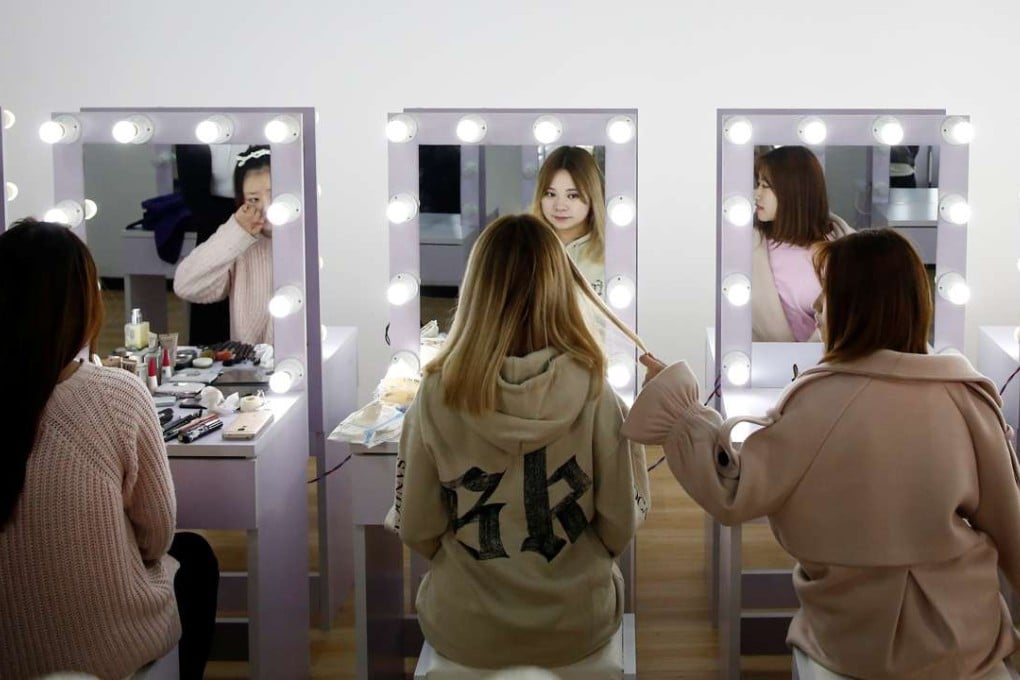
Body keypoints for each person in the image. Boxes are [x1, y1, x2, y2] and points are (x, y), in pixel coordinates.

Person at [624, 229, 1020, 679]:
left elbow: (733, 491)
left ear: (857, 305)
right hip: (964, 635)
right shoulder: (967, 398)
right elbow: (1011, 525)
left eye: (825, 296)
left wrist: (680, 408)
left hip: (854, 637)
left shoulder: (817, 402)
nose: (815, 309)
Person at [389, 214, 649, 669]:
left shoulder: (435, 395)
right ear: (560, 290)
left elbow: (417, 527)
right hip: (575, 624)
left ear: (475, 292)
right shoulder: (594, 392)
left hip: (466, 625)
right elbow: (618, 524)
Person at [0, 219, 218, 680]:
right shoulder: (112, 395)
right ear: (82, 306)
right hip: (101, 652)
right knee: (194, 557)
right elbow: (155, 536)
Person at [174, 144, 274, 345]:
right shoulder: (239, 243)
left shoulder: (305, 242)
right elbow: (185, 285)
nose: (266, 207)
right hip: (250, 368)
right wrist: (236, 231)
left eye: (273, 193)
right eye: (253, 199)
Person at [752, 145, 852, 341]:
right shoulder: (751, 247)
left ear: (792, 190)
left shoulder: (838, 250)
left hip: (827, 364)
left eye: (765, 186)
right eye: (758, 184)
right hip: (768, 363)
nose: (757, 194)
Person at [531, 146, 606, 298]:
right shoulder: (525, 250)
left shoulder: (614, 253)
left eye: (572, 196)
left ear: (593, 196)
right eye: (550, 194)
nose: (559, 206)